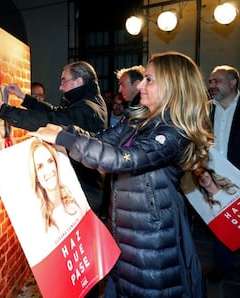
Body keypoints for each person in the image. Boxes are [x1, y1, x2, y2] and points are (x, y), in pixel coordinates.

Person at [30, 51, 214, 297]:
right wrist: (64, 130)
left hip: (152, 237)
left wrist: (62, 137)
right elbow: (100, 141)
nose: (140, 85)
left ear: (172, 85)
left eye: (149, 79)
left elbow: (121, 160)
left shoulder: (172, 133)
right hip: (127, 228)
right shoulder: (137, 120)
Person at [0, 61, 108, 219]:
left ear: (79, 81)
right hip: (90, 185)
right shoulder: (91, 102)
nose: (60, 88)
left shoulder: (88, 109)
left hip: (88, 189)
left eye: (64, 81)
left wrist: (4, 110)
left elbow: (52, 119)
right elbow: (57, 112)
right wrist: (25, 98)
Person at [206, 64, 240, 281]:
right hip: (215, 178)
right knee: (221, 222)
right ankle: (222, 267)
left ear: (233, 82)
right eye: (210, 82)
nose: (212, 86)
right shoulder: (207, 109)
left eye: (217, 81)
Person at [28, 138, 85, 236]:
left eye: (50, 161)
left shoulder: (75, 203)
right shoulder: (42, 225)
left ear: (56, 164)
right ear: (36, 176)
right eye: (40, 167)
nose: (48, 170)